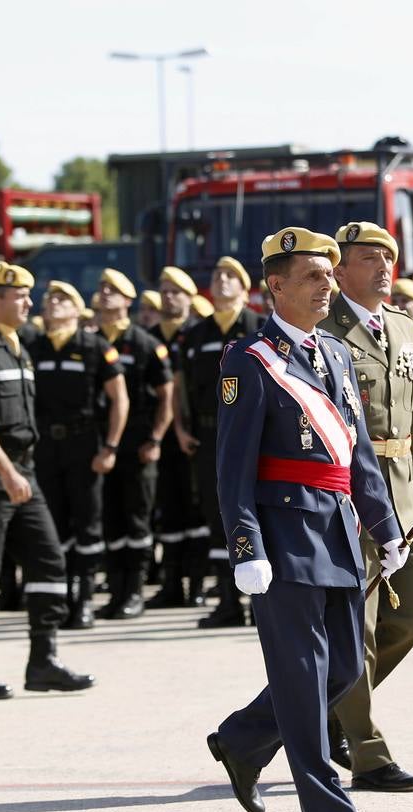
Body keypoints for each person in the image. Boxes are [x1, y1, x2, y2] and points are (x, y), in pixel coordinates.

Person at [206, 226, 406, 812]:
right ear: (275, 287)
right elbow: (231, 465)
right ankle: (328, 810)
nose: (327, 286)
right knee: (300, 674)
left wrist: (386, 526)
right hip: (284, 535)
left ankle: (241, 739)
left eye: (330, 275)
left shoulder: (336, 355)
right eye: (314, 277)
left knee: (342, 668)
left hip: (340, 529)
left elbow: (358, 451)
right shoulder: (251, 359)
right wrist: (246, 546)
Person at [321, 221, 413, 790]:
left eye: (387, 257)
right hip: (351, 493)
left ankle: (326, 713)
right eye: (369, 259)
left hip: (405, 491)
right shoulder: (323, 327)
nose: (383, 267)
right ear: (340, 271)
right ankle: (367, 754)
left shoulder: (402, 324)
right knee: (357, 632)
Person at [0, 260, 94, 700]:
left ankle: (43, 661)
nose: (30, 302)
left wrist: (18, 472)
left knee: (49, 561)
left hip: (23, 472)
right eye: (20, 296)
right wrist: (6, 472)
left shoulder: (18, 347)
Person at [24, 280, 128, 626]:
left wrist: (110, 446)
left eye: (62, 299)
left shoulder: (94, 346)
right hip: (44, 447)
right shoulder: (32, 347)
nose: (53, 304)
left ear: (76, 307)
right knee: (53, 524)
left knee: (87, 522)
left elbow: (119, 399)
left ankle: (84, 597)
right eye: (50, 299)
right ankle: (61, 596)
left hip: (83, 445)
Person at [173, 259, 264, 627]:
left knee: (258, 514)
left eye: (231, 276)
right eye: (217, 276)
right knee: (216, 515)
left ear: (245, 290)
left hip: (251, 435)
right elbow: (181, 387)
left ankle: (263, 605)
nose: (222, 281)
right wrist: (180, 426)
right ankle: (228, 601)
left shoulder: (258, 328)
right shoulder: (196, 334)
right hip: (209, 436)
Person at [95, 272, 174, 617]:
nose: (104, 295)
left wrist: (156, 438)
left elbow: (166, 397)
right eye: (102, 290)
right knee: (110, 520)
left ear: (128, 301)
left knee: (137, 520)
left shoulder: (144, 343)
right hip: (101, 446)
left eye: (113, 291)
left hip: (137, 445)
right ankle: (115, 590)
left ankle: (135, 591)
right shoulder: (91, 341)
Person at [148, 269, 207, 609]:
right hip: (162, 441)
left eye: (176, 292)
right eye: (164, 291)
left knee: (197, 515)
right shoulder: (149, 336)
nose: (169, 297)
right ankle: (172, 584)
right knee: (169, 513)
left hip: (193, 438)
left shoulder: (196, 334)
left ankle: (197, 585)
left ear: (188, 298)